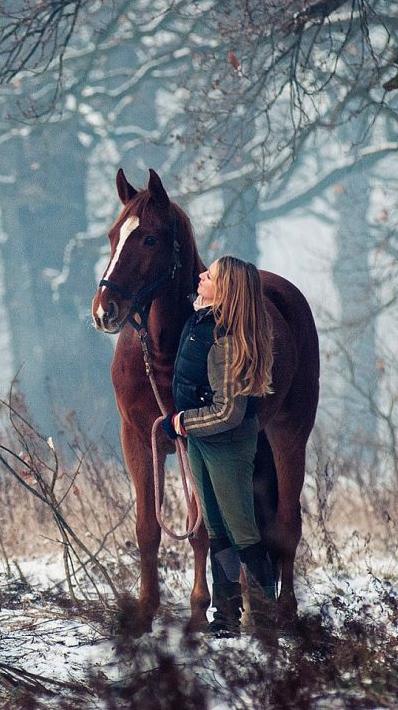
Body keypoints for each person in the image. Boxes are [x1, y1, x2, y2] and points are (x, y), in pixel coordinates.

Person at [161, 256, 275, 639]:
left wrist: (181, 422)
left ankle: (265, 621)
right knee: (217, 529)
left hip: (225, 443)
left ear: (224, 291)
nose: (200, 276)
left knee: (242, 531)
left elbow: (228, 412)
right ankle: (226, 617)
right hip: (201, 441)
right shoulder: (201, 322)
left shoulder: (225, 340)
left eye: (208, 276)